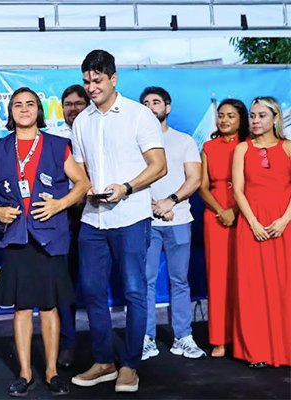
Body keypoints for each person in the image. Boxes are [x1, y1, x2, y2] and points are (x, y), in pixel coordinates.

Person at [0, 87, 90, 397]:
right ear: (10, 112)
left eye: (30, 104)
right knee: (22, 307)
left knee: (50, 306)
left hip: (51, 236)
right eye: (18, 105)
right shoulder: (0, 148)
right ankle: (25, 373)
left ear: (39, 110)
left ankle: (52, 371)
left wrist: (59, 204)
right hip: (16, 237)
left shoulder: (57, 145)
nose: (24, 109)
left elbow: (83, 183)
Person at [70, 50, 166, 393]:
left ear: (113, 78)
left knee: (134, 291)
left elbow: (159, 166)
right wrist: (84, 188)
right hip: (92, 220)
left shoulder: (139, 115)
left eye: (97, 80)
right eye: (86, 81)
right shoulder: (81, 121)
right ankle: (103, 361)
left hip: (131, 217)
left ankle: (129, 365)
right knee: (92, 291)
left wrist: (126, 188)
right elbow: (80, 170)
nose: (91, 87)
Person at [139, 87, 205, 361]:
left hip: (179, 219)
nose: (151, 106)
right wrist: (154, 206)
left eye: (156, 102)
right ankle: (145, 337)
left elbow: (194, 178)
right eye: (145, 103)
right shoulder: (135, 142)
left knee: (179, 280)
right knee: (145, 281)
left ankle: (183, 337)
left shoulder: (184, 140)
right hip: (146, 220)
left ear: (167, 107)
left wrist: (170, 201)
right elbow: (132, 179)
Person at [231, 96, 291, 368]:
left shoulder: (288, 147)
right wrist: (253, 223)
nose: (255, 121)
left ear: (276, 118)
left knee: (285, 286)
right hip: (251, 225)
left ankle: (285, 348)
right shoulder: (242, 149)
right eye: (252, 116)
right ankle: (256, 350)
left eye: (262, 115)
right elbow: (238, 190)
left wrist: (284, 220)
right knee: (253, 288)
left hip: (284, 225)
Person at [197, 99, 249, 358]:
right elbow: (202, 186)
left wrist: (235, 211)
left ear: (241, 119)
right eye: (221, 115)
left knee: (246, 278)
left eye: (231, 115)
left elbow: (254, 184)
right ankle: (219, 338)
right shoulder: (208, 147)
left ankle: (245, 338)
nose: (224, 120)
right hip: (216, 216)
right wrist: (221, 210)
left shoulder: (249, 145)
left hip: (247, 213)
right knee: (218, 278)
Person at [52, 84, 90, 368]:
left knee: (94, 284)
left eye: (79, 103)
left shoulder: (96, 134)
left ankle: (104, 347)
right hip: (65, 219)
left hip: (99, 216)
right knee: (64, 285)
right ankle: (68, 343)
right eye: (68, 104)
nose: (73, 109)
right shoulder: (55, 141)